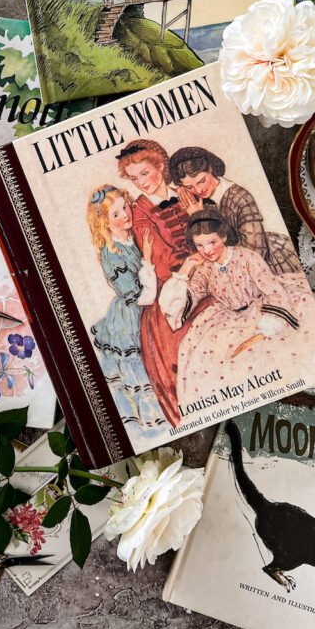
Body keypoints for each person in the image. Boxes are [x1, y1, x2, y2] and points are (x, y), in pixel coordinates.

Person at [158, 211, 306, 411]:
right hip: (228, 320)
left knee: (259, 355)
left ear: (224, 236)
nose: (207, 251)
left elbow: (275, 293)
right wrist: (184, 271)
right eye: (199, 246)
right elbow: (178, 307)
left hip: (263, 310)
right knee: (207, 362)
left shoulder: (247, 257)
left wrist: (260, 334)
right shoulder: (204, 270)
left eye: (212, 242)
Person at [116, 138, 209, 426]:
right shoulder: (140, 213)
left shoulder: (184, 193)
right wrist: (191, 263)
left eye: (145, 173)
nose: (141, 182)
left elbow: (212, 226)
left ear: (160, 166)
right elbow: (158, 257)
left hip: (208, 268)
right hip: (173, 287)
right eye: (133, 178)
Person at [86, 185, 166, 435]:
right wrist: (148, 261)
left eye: (124, 207)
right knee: (137, 370)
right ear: (105, 224)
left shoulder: (131, 237)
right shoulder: (112, 253)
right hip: (131, 314)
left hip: (146, 302)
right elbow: (137, 295)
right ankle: (149, 425)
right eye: (116, 214)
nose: (125, 215)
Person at [169, 146, 300, 274]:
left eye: (202, 181)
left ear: (210, 169)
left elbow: (255, 251)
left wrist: (199, 216)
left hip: (261, 261)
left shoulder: (240, 197)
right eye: (190, 187)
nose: (199, 190)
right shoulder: (196, 199)